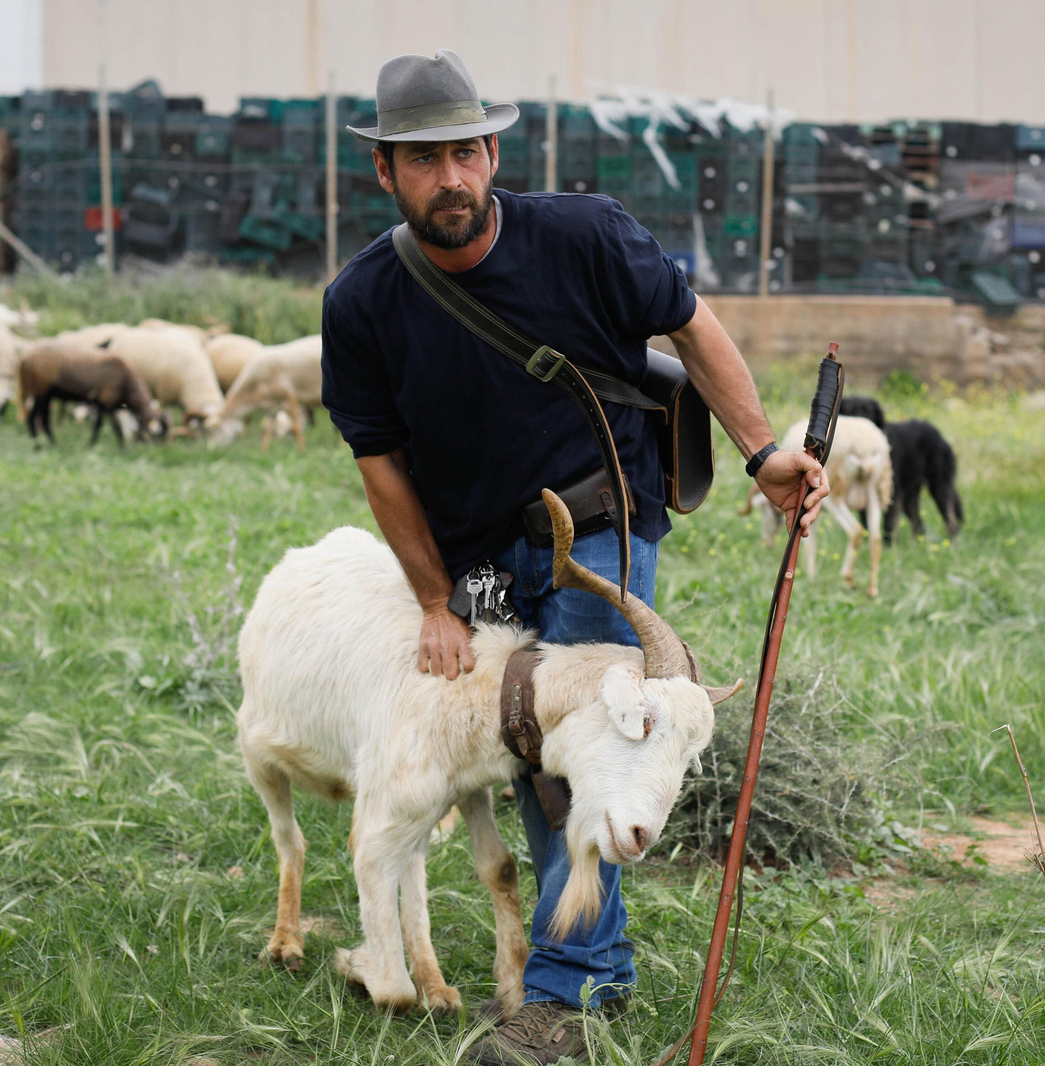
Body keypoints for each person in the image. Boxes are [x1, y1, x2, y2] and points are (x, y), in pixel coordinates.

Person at [320, 49, 829, 1066]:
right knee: (528, 750)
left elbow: (693, 329)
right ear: (384, 170)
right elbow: (380, 464)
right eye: (423, 160)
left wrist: (763, 450)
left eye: (465, 153)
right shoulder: (362, 300)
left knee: (585, 745)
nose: (450, 178)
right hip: (481, 563)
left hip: (600, 528)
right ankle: (593, 957)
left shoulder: (585, 236)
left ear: (492, 152)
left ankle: (569, 993)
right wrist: (435, 600)